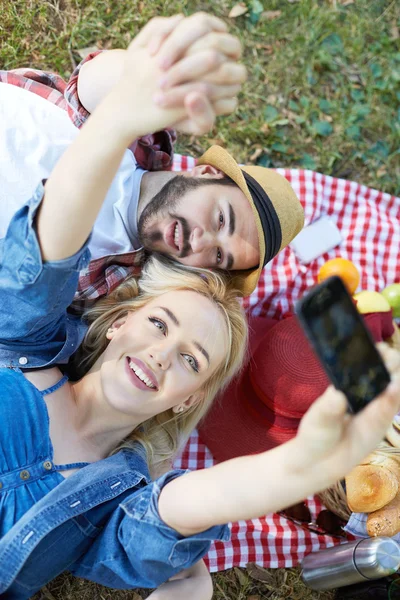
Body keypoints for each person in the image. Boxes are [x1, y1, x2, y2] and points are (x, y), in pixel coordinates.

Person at [1, 15, 400, 600]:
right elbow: (41, 262)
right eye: (160, 324)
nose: (163, 353)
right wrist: (117, 122)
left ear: (190, 398)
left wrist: (298, 469)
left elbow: (185, 505)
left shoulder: (122, 499)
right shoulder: (27, 345)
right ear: (118, 325)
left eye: (192, 362)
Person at [0, 13, 305, 304]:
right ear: (207, 172)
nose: (201, 242)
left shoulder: (111, 282)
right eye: (221, 219)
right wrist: (159, 78)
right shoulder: (148, 138)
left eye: (218, 257)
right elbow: (96, 82)